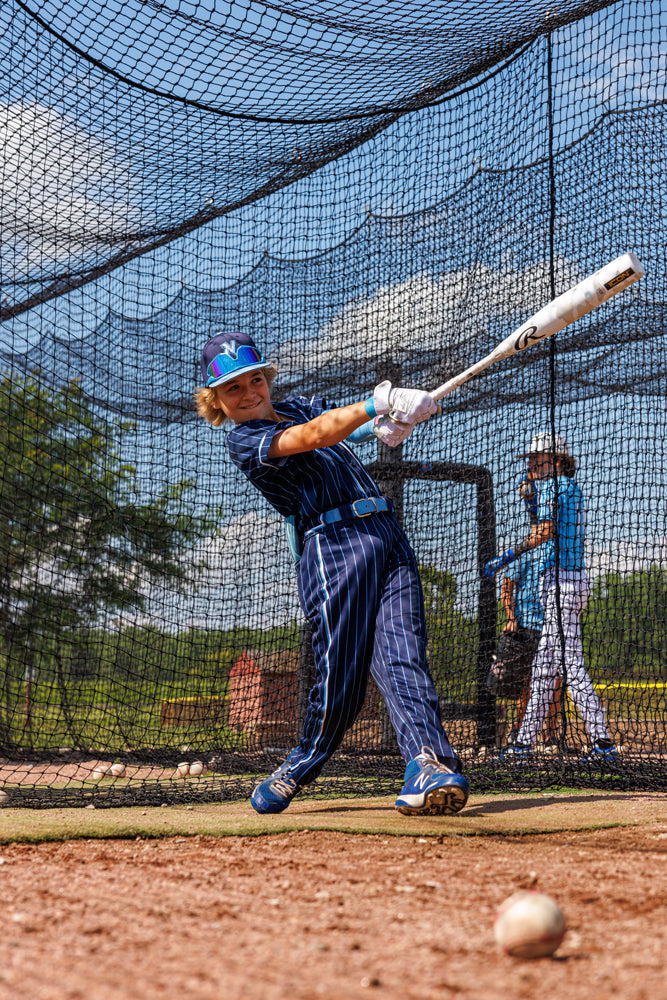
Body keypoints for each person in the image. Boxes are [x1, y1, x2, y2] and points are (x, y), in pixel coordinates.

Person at [194, 331, 470, 815]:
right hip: (333, 549)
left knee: (404, 654)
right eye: (234, 388)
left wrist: (385, 424)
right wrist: (375, 404)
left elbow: (338, 427)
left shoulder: (299, 405)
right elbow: (315, 436)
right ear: (215, 400)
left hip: (386, 533)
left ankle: (427, 763)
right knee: (340, 676)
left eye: (255, 379)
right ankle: (303, 761)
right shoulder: (245, 440)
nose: (250, 392)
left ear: (267, 378)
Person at [483, 432, 617, 762]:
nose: (530, 464)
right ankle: (523, 744)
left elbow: (544, 531)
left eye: (536, 458)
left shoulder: (556, 486)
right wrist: (531, 485)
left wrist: (507, 555)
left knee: (571, 668)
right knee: (544, 669)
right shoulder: (564, 488)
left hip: (562, 584)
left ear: (556, 461)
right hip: (564, 582)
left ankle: (603, 744)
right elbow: (535, 506)